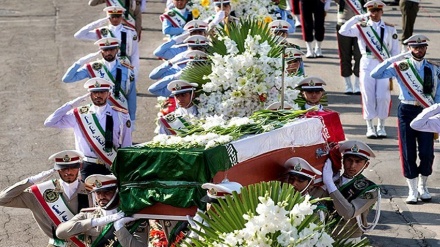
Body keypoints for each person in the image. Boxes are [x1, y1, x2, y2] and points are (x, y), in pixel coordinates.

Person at [370, 34, 440, 204]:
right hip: (407, 109)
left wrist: (437, 111)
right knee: (407, 150)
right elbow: (375, 74)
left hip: (426, 109)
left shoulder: (434, 68)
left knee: (426, 151)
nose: (419, 50)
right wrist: (393, 58)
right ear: (409, 48)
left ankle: (423, 186)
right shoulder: (401, 66)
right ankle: (412, 189)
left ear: (425, 48)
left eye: (422, 47)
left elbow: (438, 92)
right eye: (415, 47)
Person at [44, 78, 132, 181]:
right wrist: (73, 103)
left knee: (112, 195)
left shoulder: (121, 115)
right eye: (94, 92)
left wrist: (126, 166)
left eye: (102, 92)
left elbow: (127, 143)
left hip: (112, 163)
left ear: (108, 94)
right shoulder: (78, 114)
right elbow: (50, 122)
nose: (98, 95)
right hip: (88, 165)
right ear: (89, 95)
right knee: (86, 196)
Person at [0, 150, 90, 246]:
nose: (68, 172)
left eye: (72, 167)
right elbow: (3, 199)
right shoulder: (40, 192)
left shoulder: (91, 191)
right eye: (63, 168)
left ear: (79, 167)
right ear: (57, 169)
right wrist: (34, 179)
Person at [339, 0, 400, 138]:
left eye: (377, 11)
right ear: (368, 12)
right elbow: (343, 31)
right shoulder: (361, 27)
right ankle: (370, 126)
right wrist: (356, 17)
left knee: (383, 96)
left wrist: (394, 69)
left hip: (384, 63)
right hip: (367, 63)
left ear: (382, 12)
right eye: (372, 11)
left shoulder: (390, 28)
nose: (375, 14)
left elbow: (395, 50)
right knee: (368, 95)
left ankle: (381, 125)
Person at [56, 174, 148, 246]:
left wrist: (119, 227)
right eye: (98, 193)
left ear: (118, 192)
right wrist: (99, 221)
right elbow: (60, 232)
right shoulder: (88, 215)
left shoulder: (133, 218)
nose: (101, 196)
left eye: (107, 192)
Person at [62, 37, 137, 122]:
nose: (108, 52)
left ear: (117, 50)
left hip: (119, 112)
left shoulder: (127, 69)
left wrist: (132, 118)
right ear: (101, 51)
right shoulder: (92, 68)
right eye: (105, 50)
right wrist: (80, 62)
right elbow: (67, 79)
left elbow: (131, 95)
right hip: (99, 113)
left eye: (111, 49)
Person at [322, 140, 380, 243]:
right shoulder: (334, 181)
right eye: (349, 160)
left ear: (366, 165)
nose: (352, 166)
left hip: (348, 237)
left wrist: (329, 184)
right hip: (325, 233)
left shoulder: (370, 189)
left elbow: (349, 213)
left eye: (358, 161)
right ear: (343, 161)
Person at [74, 6, 140, 77]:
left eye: (118, 16)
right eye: (112, 17)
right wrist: (100, 22)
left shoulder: (130, 32)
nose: (115, 19)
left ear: (121, 17)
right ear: (108, 17)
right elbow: (78, 35)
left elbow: (134, 54)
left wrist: (135, 72)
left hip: (125, 65)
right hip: (107, 65)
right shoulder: (102, 32)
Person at [334, 0, 366, 94]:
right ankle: (348, 85)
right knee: (345, 55)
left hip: (360, 26)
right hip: (343, 25)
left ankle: (357, 85)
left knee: (359, 55)